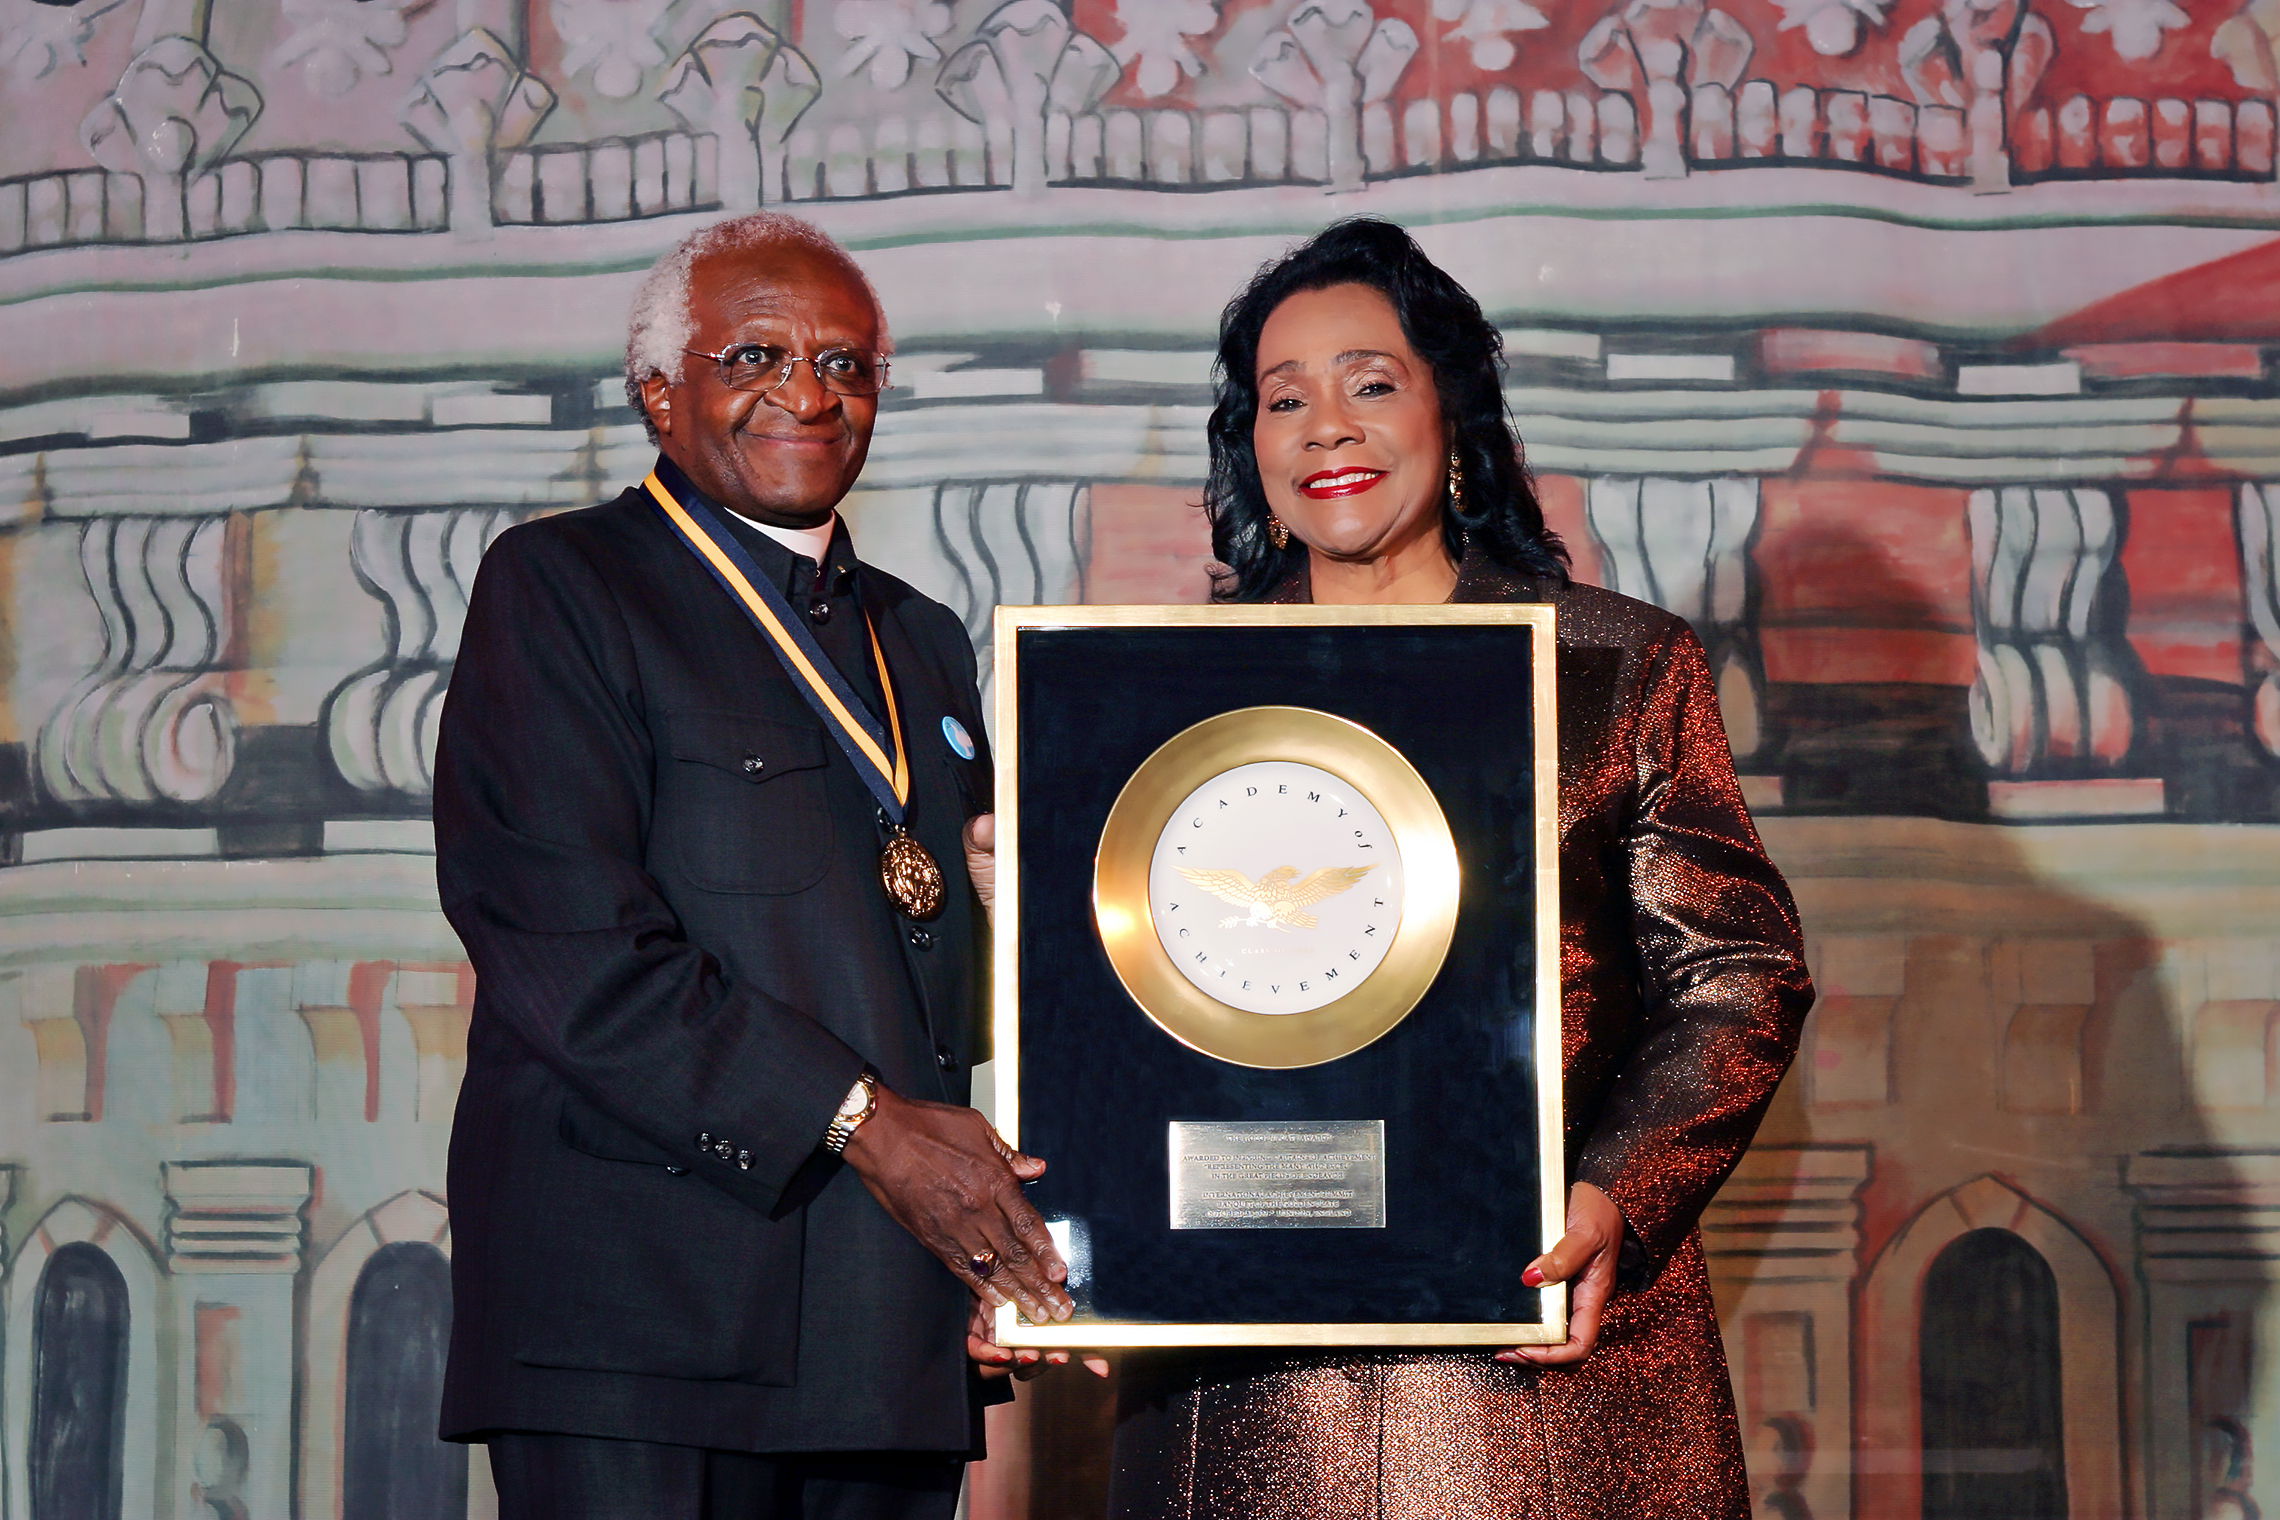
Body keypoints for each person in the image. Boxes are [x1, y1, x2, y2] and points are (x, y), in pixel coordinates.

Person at [1104, 219, 1815, 1518]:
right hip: (1249, 1386)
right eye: (1285, 398)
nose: (1328, 427)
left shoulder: (1611, 668)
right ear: (1247, 442)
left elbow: (1739, 973)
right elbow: (1105, 1021)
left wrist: (1619, 1192)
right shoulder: (1148, 700)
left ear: (1453, 412)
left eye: (1371, 382)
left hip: (1542, 1374)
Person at [432, 210, 1077, 1520]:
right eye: (757, 355)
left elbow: (950, 989)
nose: (809, 391)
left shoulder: (926, 639)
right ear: (659, 392)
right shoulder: (563, 586)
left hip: (884, 1333)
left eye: (847, 365)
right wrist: (869, 1124)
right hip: (640, 1329)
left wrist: (1035, 921)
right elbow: (574, 954)